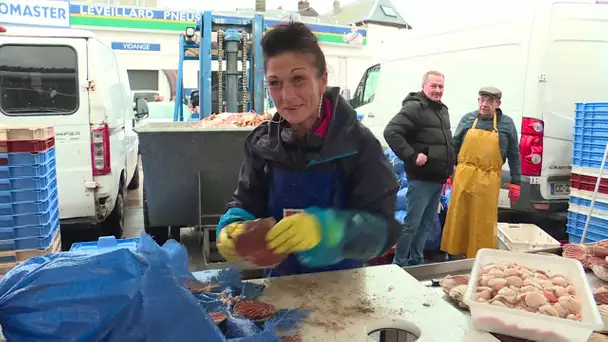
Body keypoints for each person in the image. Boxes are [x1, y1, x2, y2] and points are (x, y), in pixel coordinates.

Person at [214, 22, 401, 277]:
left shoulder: (358, 144)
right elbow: (248, 201)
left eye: (298, 79)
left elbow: (386, 230)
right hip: (279, 286)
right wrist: (233, 225)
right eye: (275, 83)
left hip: (343, 289)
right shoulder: (262, 144)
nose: (287, 95)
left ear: (322, 80)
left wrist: (331, 230)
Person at [383, 70, 455, 267]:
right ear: (424, 86)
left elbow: (444, 142)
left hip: (437, 179)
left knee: (426, 224)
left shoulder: (442, 110)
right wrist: (412, 156)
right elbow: (391, 132)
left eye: (441, 86)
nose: (438, 90)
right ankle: (399, 263)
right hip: (421, 178)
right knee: (412, 224)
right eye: (434, 86)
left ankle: (416, 261)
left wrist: (450, 167)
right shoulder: (415, 108)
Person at [440, 87, 521, 258]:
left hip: (488, 179)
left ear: (498, 104)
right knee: (458, 216)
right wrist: (447, 173)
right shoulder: (468, 119)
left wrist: (516, 182)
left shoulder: (506, 124)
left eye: (490, 101)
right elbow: (453, 147)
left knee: (482, 221)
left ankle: (479, 257)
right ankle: (453, 255)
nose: (484, 105)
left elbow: (514, 154)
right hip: (463, 176)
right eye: (482, 100)